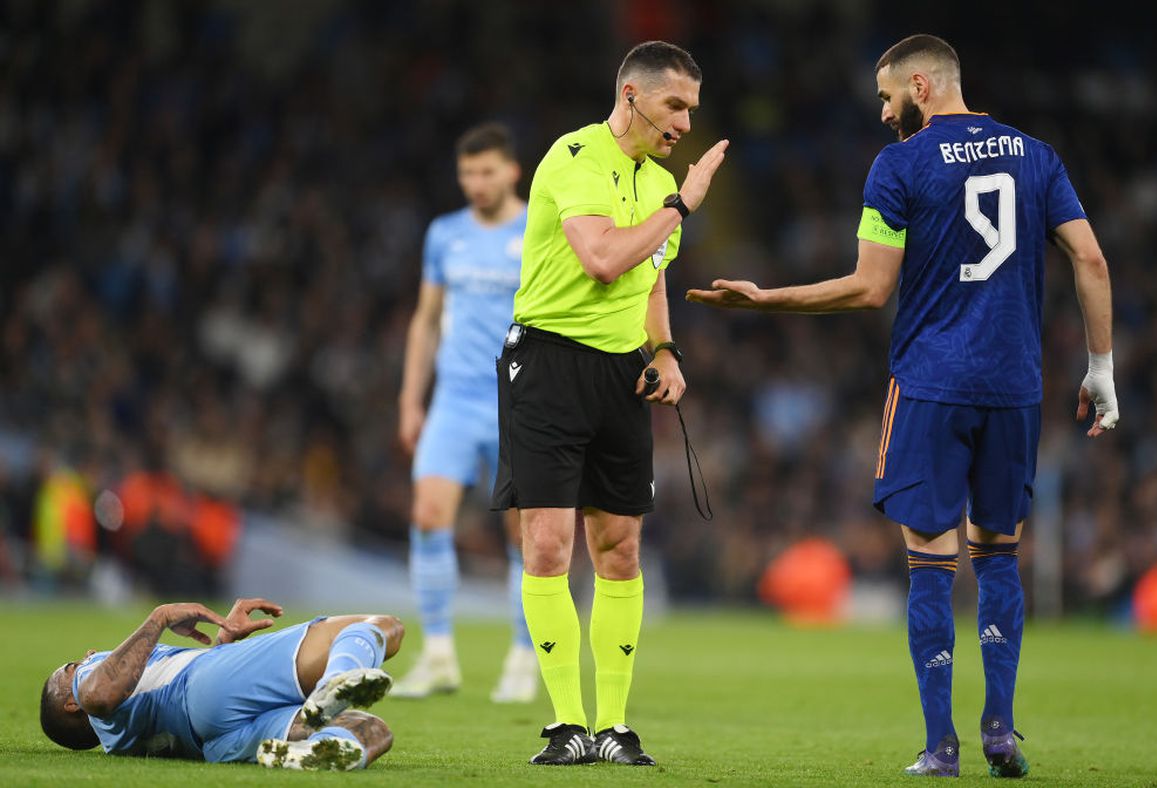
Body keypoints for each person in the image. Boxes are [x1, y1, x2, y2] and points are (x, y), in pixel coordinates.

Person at [686, 34, 1117, 779]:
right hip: (1014, 388)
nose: (885, 112)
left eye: (888, 96)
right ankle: (1003, 733)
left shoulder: (900, 165)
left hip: (930, 386)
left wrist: (768, 300)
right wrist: (1102, 367)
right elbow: (1091, 258)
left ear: (922, 84)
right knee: (1000, 557)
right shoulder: (1036, 155)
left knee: (930, 565)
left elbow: (869, 287)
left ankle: (940, 747)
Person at [491, 40, 728, 766]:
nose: (685, 122)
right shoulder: (576, 158)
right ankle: (567, 725)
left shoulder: (658, 186)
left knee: (620, 549)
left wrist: (664, 351)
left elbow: (650, 277)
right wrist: (682, 202)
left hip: (622, 375)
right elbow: (602, 259)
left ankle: (616, 728)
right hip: (548, 364)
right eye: (674, 104)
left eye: (691, 107)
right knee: (547, 545)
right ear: (632, 94)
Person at [392, 122, 538, 703]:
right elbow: (426, 320)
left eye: (487, 172)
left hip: (518, 399)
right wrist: (410, 399)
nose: (476, 183)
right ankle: (438, 657)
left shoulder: (540, 229)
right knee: (428, 516)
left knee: (522, 537)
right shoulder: (444, 234)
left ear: (512, 171)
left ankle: (526, 657)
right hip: (453, 400)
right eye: (467, 173)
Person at [40, 597, 404, 771]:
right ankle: (336, 681)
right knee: (383, 626)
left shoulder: (117, 741)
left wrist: (223, 643)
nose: (85, 655)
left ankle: (322, 751)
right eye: (72, 666)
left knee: (369, 729)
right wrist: (160, 617)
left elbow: (194, 704)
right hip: (199, 689)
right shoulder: (92, 687)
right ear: (72, 704)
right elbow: (99, 696)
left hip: (216, 741)